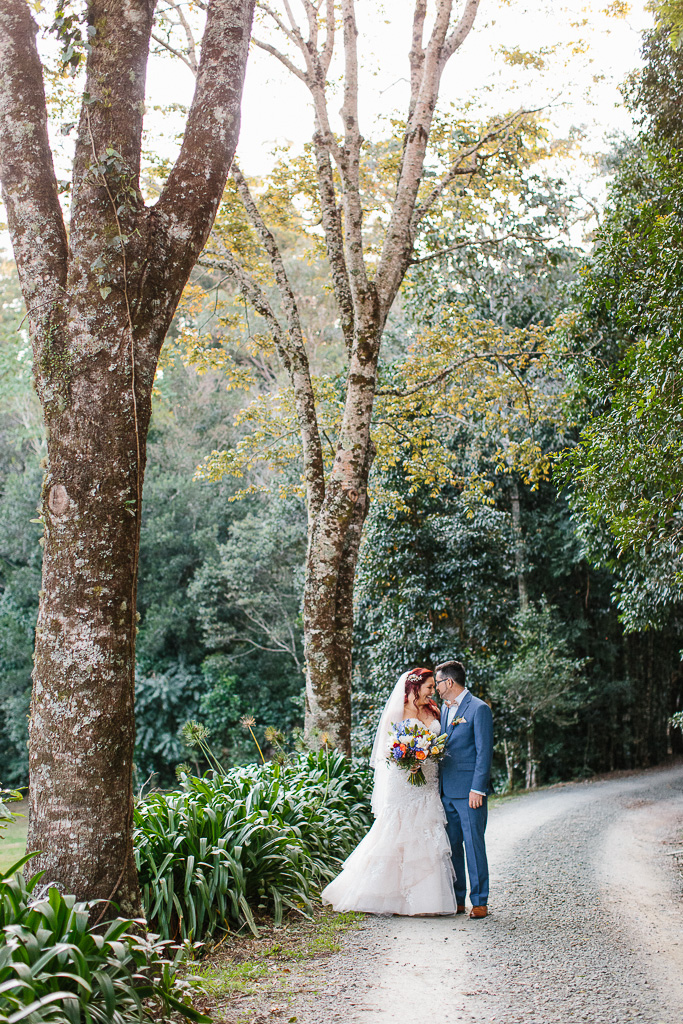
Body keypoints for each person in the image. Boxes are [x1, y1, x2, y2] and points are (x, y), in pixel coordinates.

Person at [321, 667, 457, 915]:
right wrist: (406, 758)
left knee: (426, 832)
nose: (432, 691)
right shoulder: (397, 711)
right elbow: (385, 749)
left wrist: (428, 754)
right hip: (403, 781)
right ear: (414, 687)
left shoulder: (434, 709)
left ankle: (427, 900)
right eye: (428, 687)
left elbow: (441, 740)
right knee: (396, 832)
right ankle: (384, 896)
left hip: (428, 781)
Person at [435, 660, 493, 919]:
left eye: (437, 682)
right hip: (446, 791)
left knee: (473, 845)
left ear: (449, 682)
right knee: (453, 846)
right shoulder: (444, 710)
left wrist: (477, 789)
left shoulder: (479, 709)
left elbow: (484, 752)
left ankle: (479, 901)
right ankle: (458, 899)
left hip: (470, 793)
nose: (435, 688)